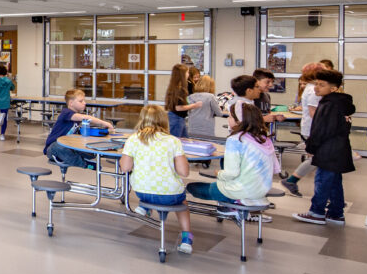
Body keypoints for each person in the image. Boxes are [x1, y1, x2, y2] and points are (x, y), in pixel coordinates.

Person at [186, 103, 279, 225]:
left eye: (230, 116)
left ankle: (235, 204)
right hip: (260, 191)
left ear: (238, 121)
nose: (228, 119)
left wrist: (218, 173)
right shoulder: (264, 139)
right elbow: (275, 168)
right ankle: (236, 204)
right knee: (220, 172)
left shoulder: (235, 140)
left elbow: (231, 173)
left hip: (239, 191)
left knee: (191, 187)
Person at [120, 105, 194, 254]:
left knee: (152, 190)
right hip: (171, 195)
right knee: (182, 202)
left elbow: (125, 167)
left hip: (142, 192)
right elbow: (184, 172)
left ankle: (146, 207)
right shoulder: (173, 141)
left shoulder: (133, 139)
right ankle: (187, 238)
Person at [292, 68, 355, 225]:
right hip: (338, 149)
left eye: (321, 85)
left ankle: (317, 212)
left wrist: (311, 148)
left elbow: (321, 130)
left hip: (328, 150)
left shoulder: (328, 105)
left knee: (322, 181)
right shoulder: (341, 104)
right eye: (316, 84)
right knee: (334, 182)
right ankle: (336, 213)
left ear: (333, 89)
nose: (316, 88)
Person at [43, 89, 115, 170]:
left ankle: (71, 158)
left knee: (87, 148)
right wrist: (105, 123)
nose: (84, 103)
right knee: (58, 146)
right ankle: (85, 164)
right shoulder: (66, 113)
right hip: (53, 149)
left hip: (68, 147)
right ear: (71, 103)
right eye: (81, 101)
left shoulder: (76, 116)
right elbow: (86, 117)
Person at [281, 63, 324, 196]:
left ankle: (292, 180)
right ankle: (292, 181)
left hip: (312, 128)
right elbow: (314, 113)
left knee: (318, 160)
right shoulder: (313, 90)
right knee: (320, 160)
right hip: (313, 129)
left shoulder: (311, 88)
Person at [164, 63, 200, 138]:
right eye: (187, 72)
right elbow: (178, 107)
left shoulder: (178, 87)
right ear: (182, 74)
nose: (188, 74)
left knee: (185, 140)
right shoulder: (178, 89)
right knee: (176, 141)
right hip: (176, 118)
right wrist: (194, 105)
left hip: (179, 118)